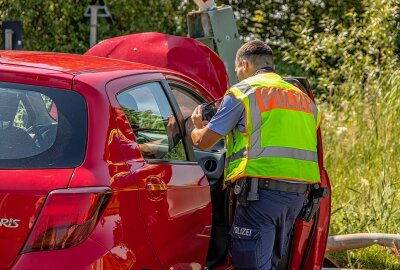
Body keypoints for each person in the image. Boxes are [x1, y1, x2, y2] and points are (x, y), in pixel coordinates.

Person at [190, 40, 322, 269]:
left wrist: (195, 126)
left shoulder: (244, 92)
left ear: (244, 64)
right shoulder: (304, 99)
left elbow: (204, 141)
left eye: (237, 71)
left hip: (261, 196)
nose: (238, 75)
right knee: (270, 262)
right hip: (298, 197)